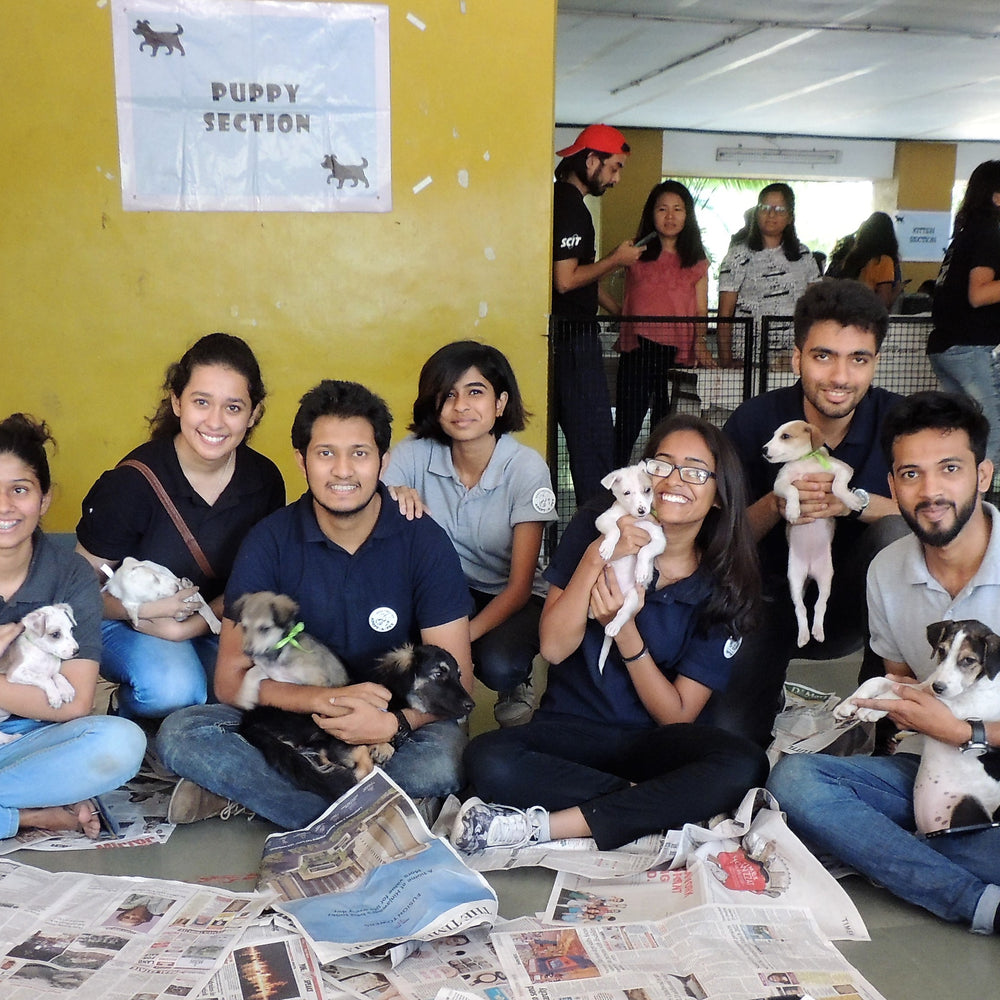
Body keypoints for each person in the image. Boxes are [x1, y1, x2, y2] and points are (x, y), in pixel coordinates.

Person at [156, 380, 474, 827]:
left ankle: (262, 794)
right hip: (294, 715)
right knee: (183, 734)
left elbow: (459, 679)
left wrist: (395, 725)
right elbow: (231, 680)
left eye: (359, 453)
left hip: (389, 721)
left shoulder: (422, 539)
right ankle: (378, 814)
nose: (343, 470)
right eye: (326, 453)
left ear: (384, 461)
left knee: (445, 759)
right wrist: (325, 699)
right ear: (301, 461)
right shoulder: (269, 541)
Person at [449, 414, 768, 854]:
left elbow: (676, 716)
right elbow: (554, 648)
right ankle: (655, 805)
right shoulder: (594, 527)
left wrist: (626, 632)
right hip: (572, 729)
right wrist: (599, 556)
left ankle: (547, 826)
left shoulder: (724, 584)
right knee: (486, 760)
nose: (673, 480)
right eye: (661, 465)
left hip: (654, 743)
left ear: (718, 496)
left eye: (696, 472)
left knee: (745, 765)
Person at [768, 390, 1000, 935]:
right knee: (795, 783)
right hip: (928, 769)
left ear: (983, 475)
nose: (931, 491)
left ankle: (896, 857)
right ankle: (973, 895)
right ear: (892, 486)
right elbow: (898, 679)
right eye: (911, 474)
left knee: (823, 829)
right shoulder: (887, 569)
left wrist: (966, 732)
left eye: (949, 469)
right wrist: (898, 709)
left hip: (985, 758)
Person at [718, 279, 908, 746]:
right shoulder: (755, 422)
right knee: (728, 739)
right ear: (796, 357)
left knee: (895, 531)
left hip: (858, 610)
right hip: (764, 605)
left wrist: (853, 502)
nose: (840, 377)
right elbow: (717, 536)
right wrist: (777, 505)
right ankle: (768, 695)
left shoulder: (903, 423)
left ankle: (877, 722)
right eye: (823, 355)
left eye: (858, 359)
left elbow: (942, 519)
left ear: (875, 363)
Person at [75, 333, 285, 723]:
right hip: (125, 622)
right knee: (175, 690)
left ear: (254, 413)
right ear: (177, 402)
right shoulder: (131, 483)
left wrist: (189, 628)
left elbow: (256, 582)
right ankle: (131, 708)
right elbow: (79, 589)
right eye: (201, 402)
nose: (215, 422)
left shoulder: (264, 480)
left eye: (233, 407)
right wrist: (146, 612)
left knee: (255, 688)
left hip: (208, 623)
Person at [383, 342, 556, 727]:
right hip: (442, 590)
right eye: (448, 395)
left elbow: (520, 587)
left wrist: (459, 639)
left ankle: (517, 681)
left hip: (509, 593)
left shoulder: (526, 468)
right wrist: (393, 492)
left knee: (496, 662)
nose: (461, 406)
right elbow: (368, 498)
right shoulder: (415, 453)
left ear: (500, 403)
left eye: (475, 392)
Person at [0, 414, 145, 842]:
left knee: (120, 744)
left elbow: (76, 703)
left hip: (36, 741)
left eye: (20, 490)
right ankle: (30, 814)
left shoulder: (71, 575)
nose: (5, 505)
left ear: (44, 499)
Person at [551, 123, 645, 506]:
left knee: (593, 443)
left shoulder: (562, 203)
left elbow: (580, 281)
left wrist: (619, 310)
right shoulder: (571, 208)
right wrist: (617, 260)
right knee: (593, 446)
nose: (617, 178)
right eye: (615, 167)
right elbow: (566, 280)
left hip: (569, 337)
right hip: (572, 341)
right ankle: (598, 538)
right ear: (592, 160)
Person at [613, 180, 713, 466]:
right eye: (662, 209)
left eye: (678, 209)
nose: (670, 216)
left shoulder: (697, 260)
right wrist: (622, 313)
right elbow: (597, 278)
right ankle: (614, 489)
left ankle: (659, 483)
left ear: (687, 214)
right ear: (651, 213)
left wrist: (701, 345)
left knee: (667, 427)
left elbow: (701, 309)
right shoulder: (635, 252)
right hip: (637, 349)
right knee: (627, 426)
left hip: (676, 353)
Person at [928, 159, 1000, 464]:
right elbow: (979, 294)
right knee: (991, 435)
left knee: (967, 432)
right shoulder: (989, 232)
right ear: (996, 195)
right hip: (969, 347)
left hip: (949, 346)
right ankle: (979, 504)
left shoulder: (967, 232)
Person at [717, 182, 820, 366]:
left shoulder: (804, 255)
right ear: (757, 213)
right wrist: (726, 361)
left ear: (790, 217)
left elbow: (816, 307)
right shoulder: (737, 256)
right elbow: (725, 313)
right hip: (749, 359)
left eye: (779, 209)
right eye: (764, 207)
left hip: (793, 359)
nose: (771, 214)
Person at [837, 211, 903, 310]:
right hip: (868, 316)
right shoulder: (883, 261)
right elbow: (883, 302)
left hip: (847, 313)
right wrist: (897, 290)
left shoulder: (852, 258)